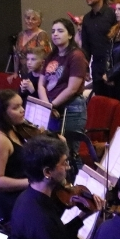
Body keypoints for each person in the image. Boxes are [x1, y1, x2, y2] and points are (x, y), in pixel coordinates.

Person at [38, 18, 88, 171]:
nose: (55, 34)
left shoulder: (76, 55)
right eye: (53, 31)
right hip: (52, 107)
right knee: (55, 152)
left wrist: (51, 105)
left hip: (71, 109)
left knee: (70, 154)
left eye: (60, 31)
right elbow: (41, 84)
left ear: (70, 35)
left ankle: (79, 183)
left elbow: (72, 88)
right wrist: (47, 105)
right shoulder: (52, 55)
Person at [0, 90, 31, 222]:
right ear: (2, 113)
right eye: (16, 108)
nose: (22, 110)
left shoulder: (12, 128)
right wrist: (33, 182)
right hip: (8, 201)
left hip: (21, 193)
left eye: (21, 105)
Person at [80, 0, 116, 85]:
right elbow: (86, 46)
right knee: (98, 93)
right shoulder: (87, 18)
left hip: (112, 63)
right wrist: (86, 68)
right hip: (96, 64)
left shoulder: (112, 13)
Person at [14, 9, 51, 79]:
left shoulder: (41, 35)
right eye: (28, 18)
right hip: (23, 73)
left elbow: (43, 57)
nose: (30, 21)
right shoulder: (21, 34)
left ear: (39, 22)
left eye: (34, 19)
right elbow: (16, 54)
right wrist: (15, 72)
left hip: (36, 75)